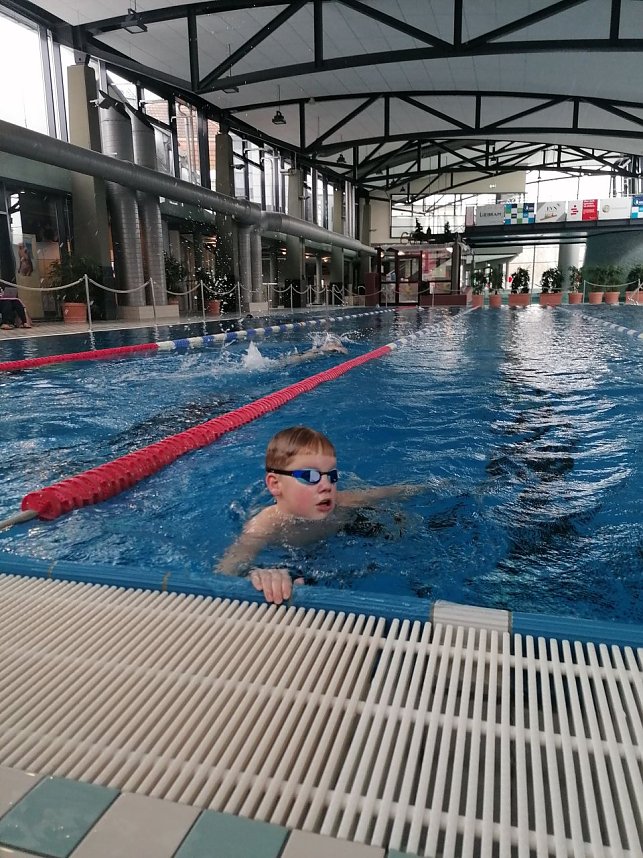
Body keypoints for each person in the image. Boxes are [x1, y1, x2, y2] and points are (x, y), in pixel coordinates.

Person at [216, 426, 421, 604]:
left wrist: (430, 486)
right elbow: (224, 573)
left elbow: (387, 493)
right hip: (291, 560)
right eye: (309, 476)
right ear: (275, 484)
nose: (326, 486)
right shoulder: (264, 525)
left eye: (331, 475)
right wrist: (254, 575)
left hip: (346, 532)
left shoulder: (343, 503)